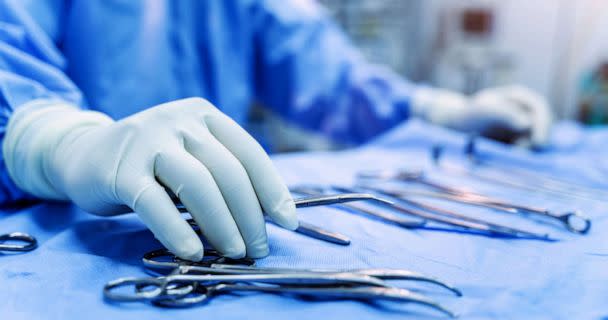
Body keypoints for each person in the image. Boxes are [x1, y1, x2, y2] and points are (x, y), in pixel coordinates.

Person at [0, 0, 552, 261]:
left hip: (214, 222)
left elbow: (325, 75)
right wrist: (49, 142)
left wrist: (436, 109)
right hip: (57, 231)